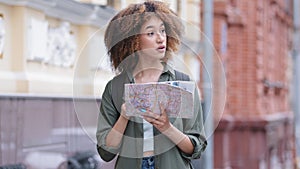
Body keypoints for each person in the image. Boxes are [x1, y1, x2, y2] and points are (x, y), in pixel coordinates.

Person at [96, 1, 207, 169]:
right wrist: (124, 117)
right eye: (151, 33)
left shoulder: (182, 83)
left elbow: (196, 148)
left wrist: (166, 127)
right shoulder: (115, 88)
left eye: (163, 30)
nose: (161, 38)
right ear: (132, 40)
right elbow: (106, 152)